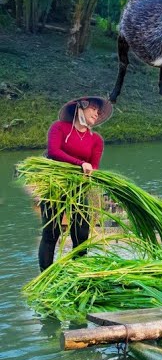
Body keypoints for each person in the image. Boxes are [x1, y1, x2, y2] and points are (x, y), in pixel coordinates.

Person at [39, 96, 112, 271]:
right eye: (94, 108)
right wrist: (80, 164)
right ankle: (46, 275)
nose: (97, 112)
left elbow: (94, 166)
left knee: (81, 234)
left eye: (98, 110)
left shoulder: (96, 140)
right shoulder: (59, 128)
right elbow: (53, 151)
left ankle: (78, 272)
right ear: (81, 108)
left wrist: (90, 171)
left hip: (79, 188)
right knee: (51, 233)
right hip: (54, 184)